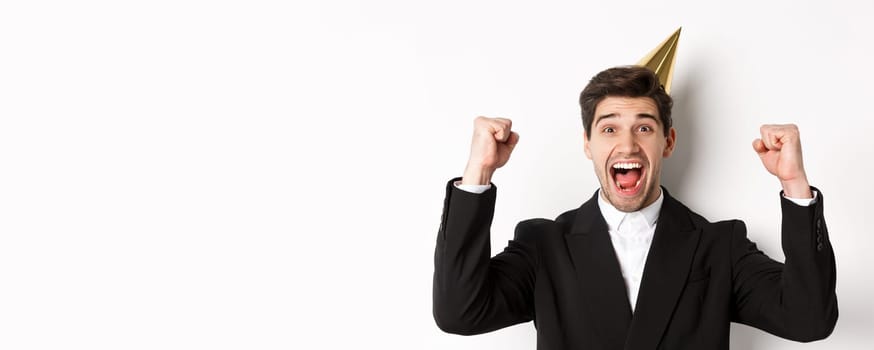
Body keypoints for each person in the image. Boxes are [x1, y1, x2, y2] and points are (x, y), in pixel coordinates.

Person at [432, 66, 837, 349]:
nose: (627, 145)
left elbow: (809, 320)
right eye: (609, 128)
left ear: (668, 142)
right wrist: (478, 172)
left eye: (644, 127)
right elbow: (460, 312)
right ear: (588, 144)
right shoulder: (544, 245)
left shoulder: (720, 245)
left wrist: (793, 183)